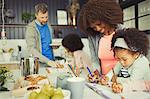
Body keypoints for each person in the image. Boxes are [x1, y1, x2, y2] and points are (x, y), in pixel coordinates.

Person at [78, 0, 123, 75]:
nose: (98, 29)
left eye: (99, 24)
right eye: (94, 27)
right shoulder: (93, 37)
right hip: (104, 81)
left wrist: (112, 77)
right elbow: (95, 60)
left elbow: (128, 61)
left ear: (107, 17)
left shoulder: (123, 32)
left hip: (121, 81)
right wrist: (96, 73)